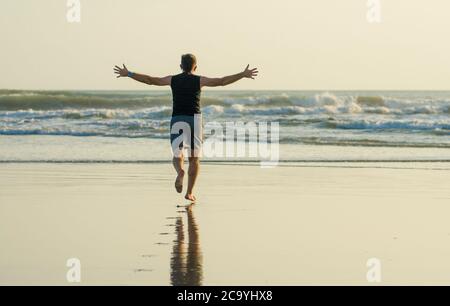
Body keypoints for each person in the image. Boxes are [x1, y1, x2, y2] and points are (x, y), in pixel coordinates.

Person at [114, 54, 258, 202]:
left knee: (177, 155)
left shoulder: (172, 79)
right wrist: (243, 74)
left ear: (181, 66)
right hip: (194, 119)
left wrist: (129, 74)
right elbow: (222, 81)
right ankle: (189, 192)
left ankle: (180, 172)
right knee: (194, 158)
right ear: (195, 67)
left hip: (178, 118)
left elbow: (150, 80)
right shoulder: (200, 80)